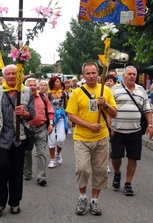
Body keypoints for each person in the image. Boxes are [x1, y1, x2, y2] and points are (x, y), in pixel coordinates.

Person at [66, 62, 117, 216]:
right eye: (87, 73)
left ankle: (94, 200)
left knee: (100, 170)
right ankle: (82, 197)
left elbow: (114, 113)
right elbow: (71, 115)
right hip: (82, 137)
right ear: (83, 75)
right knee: (82, 169)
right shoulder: (77, 93)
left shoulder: (106, 91)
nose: (91, 76)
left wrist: (105, 105)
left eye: (94, 72)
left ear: (98, 74)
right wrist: (89, 125)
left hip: (101, 138)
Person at [0, 64, 35, 218]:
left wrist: (25, 113)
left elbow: (32, 114)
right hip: (1, 136)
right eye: (9, 74)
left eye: (14, 73)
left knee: (16, 170)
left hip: (18, 137)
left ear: (19, 75)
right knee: (1, 168)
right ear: (4, 76)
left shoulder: (26, 92)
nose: (12, 76)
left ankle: (15, 203)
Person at [109, 66, 153, 197]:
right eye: (129, 74)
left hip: (135, 130)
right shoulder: (114, 90)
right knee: (116, 156)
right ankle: (117, 173)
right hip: (117, 130)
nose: (132, 76)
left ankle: (128, 183)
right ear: (123, 76)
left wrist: (150, 125)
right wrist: (109, 124)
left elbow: (147, 110)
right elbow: (109, 109)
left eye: (134, 74)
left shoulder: (141, 91)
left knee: (133, 157)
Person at [23, 78, 54, 186]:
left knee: (41, 152)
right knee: (27, 152)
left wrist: (50, 124)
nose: (32, 87)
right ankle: (27, 173)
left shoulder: (42, 96)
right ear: (26, 86)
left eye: (34, 85)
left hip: (41, 128)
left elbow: (50, 111)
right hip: (27, 128)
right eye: (30, 85)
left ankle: (41, 176)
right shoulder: (23, 97)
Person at [46, 76, 71, 168]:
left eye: (59, 81)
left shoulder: (64, 93)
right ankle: (52, 160)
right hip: (51, 117)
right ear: (52, 83)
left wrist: (69, 119)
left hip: (61, 117)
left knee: (61, 139)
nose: (59, 83)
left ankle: (58, 153)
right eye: (57, 82)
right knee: (51, 139)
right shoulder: (47, 95)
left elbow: (68, 107)